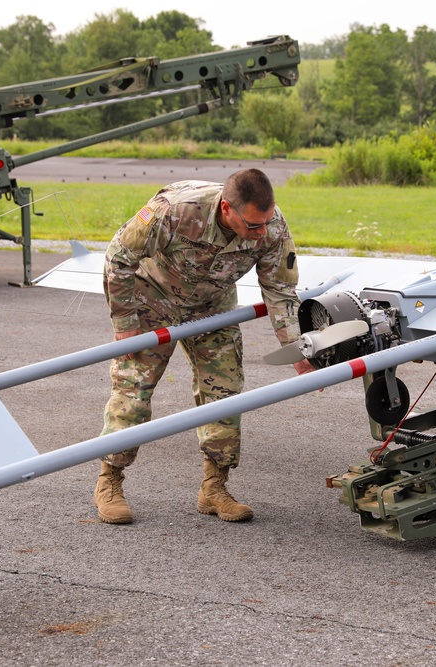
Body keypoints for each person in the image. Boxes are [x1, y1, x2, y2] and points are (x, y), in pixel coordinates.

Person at [94, 169, 313, 525]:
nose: (261, 232)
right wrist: (125, 325)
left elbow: (281, 292)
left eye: (265, 223)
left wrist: (299, 352)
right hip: (153, 299)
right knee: (134, 391)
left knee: (225, 393)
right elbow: (119, 257)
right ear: (227, 209)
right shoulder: (176, 210)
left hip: (213, 306)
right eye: (253, 226)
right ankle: (110, 481)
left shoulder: (271, 225)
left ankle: (214, 488)